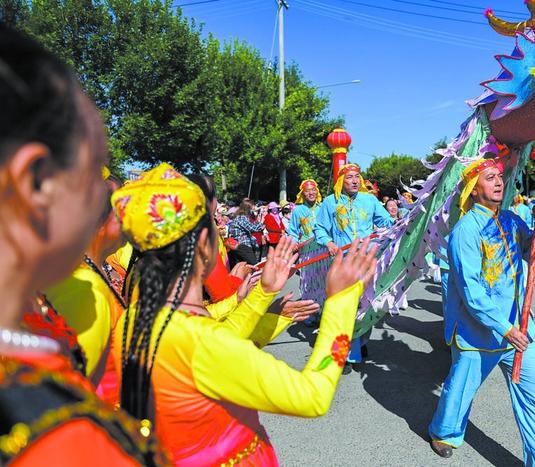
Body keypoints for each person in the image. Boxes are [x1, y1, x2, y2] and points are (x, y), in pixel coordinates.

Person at [111, 164, 378, 465]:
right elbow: (311, 395)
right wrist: (342, 300)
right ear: (203, 244)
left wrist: (266, 300)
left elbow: (217, 340)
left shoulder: (133, 319)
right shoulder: (201, 344)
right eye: (214, 224)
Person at [0, 26, 165, 465]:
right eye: (96, 169)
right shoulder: (56, 439)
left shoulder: (32, 326)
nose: (108, 197)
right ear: (36, 183)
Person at [428, 156, 535, 465]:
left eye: (499, 176)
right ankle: (444, 431)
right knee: (460, 391)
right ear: (473, 189)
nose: (499, 181)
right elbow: (472, 293)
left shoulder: (513, 220)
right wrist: (505, 328)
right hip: (480, 333)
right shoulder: (465, 232)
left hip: (521, 330)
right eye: (489, 178)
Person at [43, 174, 127, 406]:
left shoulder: (82, 275)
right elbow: (64, 394)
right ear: (99, 224)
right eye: (119, 212)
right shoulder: (86, 290)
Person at [314, 163, 394, 373]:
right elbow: (319, 228)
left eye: (357, 176)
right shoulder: (331, 202)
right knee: (346, 308)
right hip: (343, 263)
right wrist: (329, 242)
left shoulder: (370, 200)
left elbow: (385, 220)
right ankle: (348, 353)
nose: (354, 180)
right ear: (342, 180)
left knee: (367, 305)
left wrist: (392, 222)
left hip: (368, 261)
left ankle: (361, 340)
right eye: (349, 177)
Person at [229, 198, 265, 265]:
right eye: (252, 207)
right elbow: (253, 228)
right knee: (254, 264)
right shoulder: (241, 217)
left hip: (243, 245)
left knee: (245, 266)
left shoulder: (243, 217)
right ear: (248, 208)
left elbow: (252, 225)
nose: (253, 209)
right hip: (242, 245)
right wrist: (262, 222)